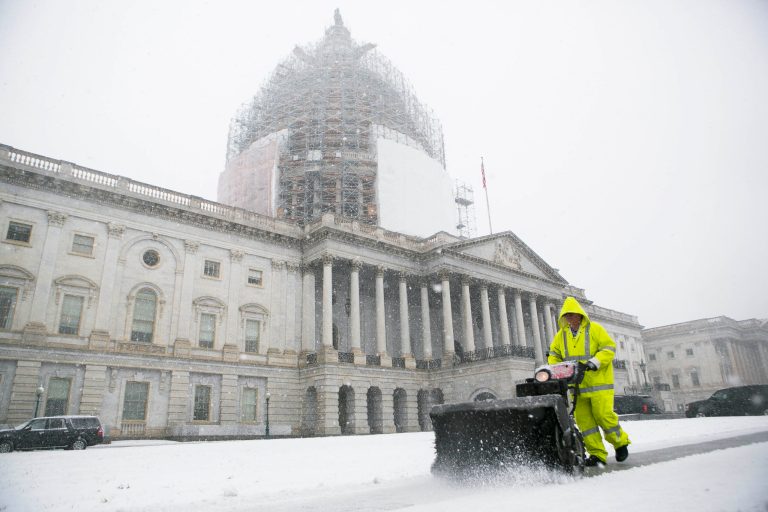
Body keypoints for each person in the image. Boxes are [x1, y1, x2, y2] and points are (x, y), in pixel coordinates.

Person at [547, 296, 631, 467]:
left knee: (603, 416)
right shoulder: (561, 335)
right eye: (567, 316)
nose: (570, 319)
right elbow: (553, 353)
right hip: (576, 386)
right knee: (586, 423)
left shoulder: (595, 330)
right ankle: (597, 454)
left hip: (598, 383)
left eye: (572, 315)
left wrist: (594, 362)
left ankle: (620, 443)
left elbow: (608, 348)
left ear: (580, 315)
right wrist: (556, 368)